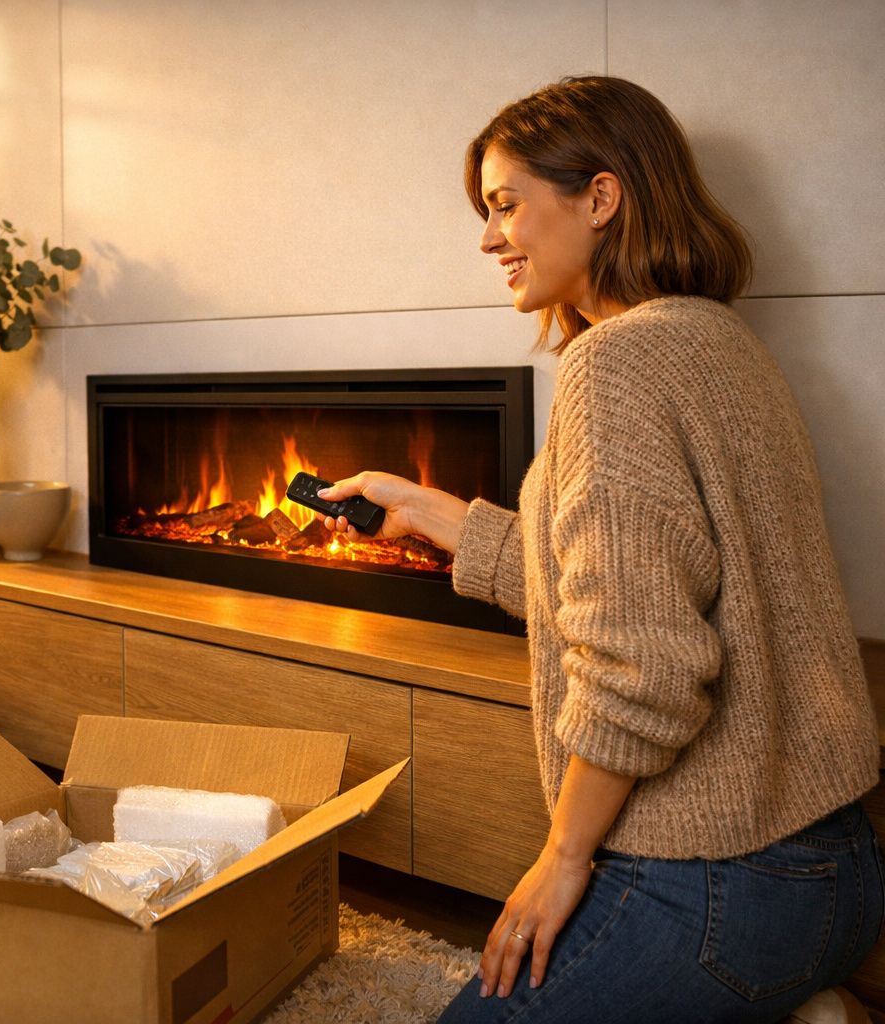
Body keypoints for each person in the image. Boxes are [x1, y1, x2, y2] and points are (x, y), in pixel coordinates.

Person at [319, 76, 880, 1022]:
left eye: (505, 206)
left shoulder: (612, 366)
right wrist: (421, 509)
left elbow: (643, 665)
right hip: (838, 866)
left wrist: (561, 858)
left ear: (601, 197)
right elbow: (626, 582)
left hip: (721, 882)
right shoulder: (714, 339)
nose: (489, 238)